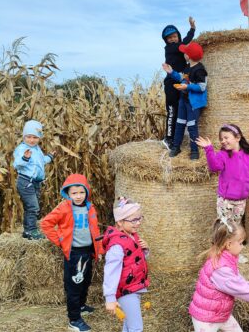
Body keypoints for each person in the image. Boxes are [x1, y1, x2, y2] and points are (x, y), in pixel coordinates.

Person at [188, 219, 249, 332]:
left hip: (220, 313)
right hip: (205, 319)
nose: (243, 246)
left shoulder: (225, 258)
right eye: (241, 243)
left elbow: (238, 279)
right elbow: (241, 288)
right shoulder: (221, 269)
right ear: (228, 244)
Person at [40, 174, 104, 332]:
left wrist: (99, 249)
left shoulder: (90, 207)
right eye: (74, 193)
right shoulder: (64, 207)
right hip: (74, 253)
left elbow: (95, 231)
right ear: (67, 193)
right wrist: (60, 241)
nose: (78, 196)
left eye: (81, 192)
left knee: (85, 281)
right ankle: (74, 319)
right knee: (74, 285)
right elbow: (46, 223)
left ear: (86, 192)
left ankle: (81, 306)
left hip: (88, 251)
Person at [196, 123, 249, 263]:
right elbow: (214, 167)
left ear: (237, 137)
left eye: (226, 137)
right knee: (223, 228)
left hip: (241, 201)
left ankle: (234, 254)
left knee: (236, 228)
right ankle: (217, 254)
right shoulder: (223, 155)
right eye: (221, 139)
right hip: (226, 200)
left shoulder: (248, 158)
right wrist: (208, 149)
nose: (223, 141)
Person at [102, 198, 150, 332]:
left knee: (129, 325)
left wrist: (144, 250)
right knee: (136, 327)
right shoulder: (117, 246)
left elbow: (133, 260)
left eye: (140, 218)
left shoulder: (131, 235)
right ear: (120, 222)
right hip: (126, 291)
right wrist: (110, 298)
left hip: (133, 286)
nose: (138, 222)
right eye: (134, 220)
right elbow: (110, 272)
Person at [162, 41, 207, 160]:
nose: (183, 54)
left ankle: (194, 151)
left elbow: (202, 87)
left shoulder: (200, 70)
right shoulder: (187, 67)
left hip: (193, 103)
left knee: (192, 126)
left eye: (185, 52)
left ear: (189, 56)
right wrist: (171, 72)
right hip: (183, 100)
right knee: (180, 123)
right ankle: (176, 147)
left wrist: (187, 87)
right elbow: (182, 78)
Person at [13, 119, 54, 240]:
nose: (31, 140)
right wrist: (25, 158)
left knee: (30, 207)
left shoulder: (37, 149)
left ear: (39, 138)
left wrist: (50, 157)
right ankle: (31, 231)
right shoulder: (22, 149)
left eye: (35, 137)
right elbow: (17, 164)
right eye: (29, 137)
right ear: (24, 136)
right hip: (25, 182)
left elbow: (40, 161)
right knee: (33, 207)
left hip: (35, 183)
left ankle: (27, 231)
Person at [161, 17, 196, 150]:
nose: (172, 39)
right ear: (166, 41)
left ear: (178, 36)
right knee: (172, 111)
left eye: (174, 36)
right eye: (169, 38)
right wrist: (192, 30)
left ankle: (176, 138)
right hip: (171, 84)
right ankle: (168, 138)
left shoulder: (179, 48)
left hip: (181, 83)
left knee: (180, 110)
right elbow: (185, 43)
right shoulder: (170, 48)